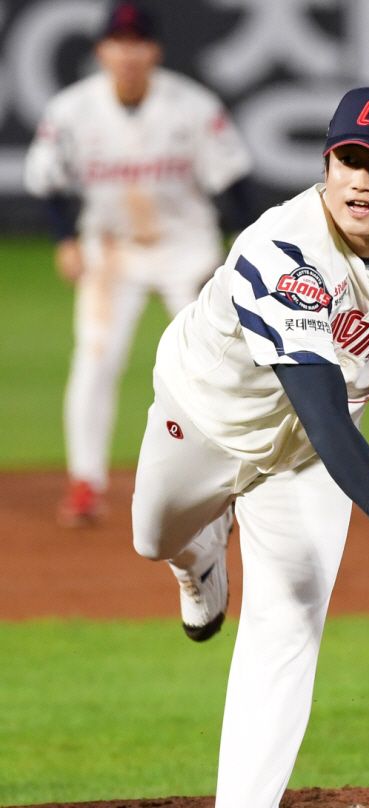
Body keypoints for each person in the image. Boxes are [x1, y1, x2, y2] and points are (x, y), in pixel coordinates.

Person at [131, 86, 369, 808]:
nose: (361, 179)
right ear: (325, 161)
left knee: (286, 627)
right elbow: (313, 404)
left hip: (309, 463)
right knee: (152, 534)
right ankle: (198, 557)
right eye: (349, 159)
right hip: (206, 416)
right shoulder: (281, 245)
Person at [23, 2, 254, 526]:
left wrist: (244, 243)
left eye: (138, 42)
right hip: (113, 252)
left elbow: (234, 182)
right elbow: (45, 182)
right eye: (117, 42)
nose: (128, 53)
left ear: (155, 50)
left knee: (212, 367)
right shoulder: (71, 110)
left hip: (188, 251)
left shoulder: (193, 107)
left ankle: (227, 485)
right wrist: (66, 239)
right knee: (96, 360)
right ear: (102, 50)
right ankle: (85, 483)